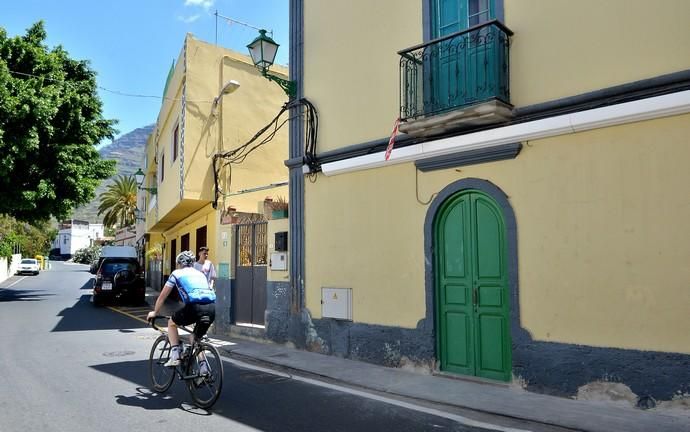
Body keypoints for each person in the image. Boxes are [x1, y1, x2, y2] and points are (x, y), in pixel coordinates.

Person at [147, 250, 216, 367]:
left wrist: (155, 312)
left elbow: (162, 297)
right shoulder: (201, 274)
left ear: (179, 263)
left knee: (171, 323)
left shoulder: (176, 273)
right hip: (211, 308)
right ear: (193, 263)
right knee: (195, 338)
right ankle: (204, 368)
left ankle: (175, 356)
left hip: (194, 308)